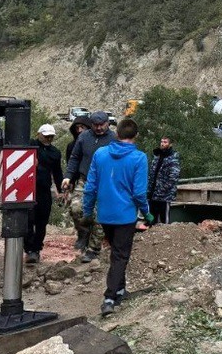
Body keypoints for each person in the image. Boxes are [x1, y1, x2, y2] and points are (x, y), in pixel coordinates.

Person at [82, 118, 152, 316]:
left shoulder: (101, 154)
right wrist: (147, 213)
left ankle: (120, 290)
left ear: (117, 134)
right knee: (120, 256)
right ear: (135, 135)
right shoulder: (139, 158)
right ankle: (109, 298)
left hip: (105, 214)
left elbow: (90, 187)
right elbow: (139, 193)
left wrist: (88, 211)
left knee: (116, 251)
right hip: (125, 216)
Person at [64, 110, 116, 262]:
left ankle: (93, 249)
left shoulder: (114, 139)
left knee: (100, 216)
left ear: (108, 123)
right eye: (95, 125)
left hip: (105, 182)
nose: (99, 128)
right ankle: (83, 232)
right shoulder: (83, 137)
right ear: (91, 124)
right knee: (76, 209)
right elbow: (74, 158)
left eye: (102, 125)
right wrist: (68, 177)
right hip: (84, 180)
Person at [26, 124, 65, 264]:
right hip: (27, 189)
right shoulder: (30, 145)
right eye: (46, 135)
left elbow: (57, 173)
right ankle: (29, 249)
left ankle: (36, 249)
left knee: (42, 222)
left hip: (43, 190)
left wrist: (61, 190)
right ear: (39, 134)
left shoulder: (54, 153)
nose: (48, 138)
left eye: (51, 136)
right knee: (28, 220)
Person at [147, 137, 181, 226]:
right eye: (161, 141)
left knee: (164, 222)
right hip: (152, 194)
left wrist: (162, 190)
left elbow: (173, 178)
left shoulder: (173, 159)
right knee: (151, 219)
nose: (162, 144)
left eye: (165, 142)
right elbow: (151, 174)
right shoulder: (157, 156)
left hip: (164, 196)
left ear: (170, 144)